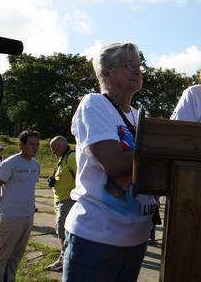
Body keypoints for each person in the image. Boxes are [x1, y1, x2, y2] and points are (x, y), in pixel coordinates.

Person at [63, 42, 158, 282]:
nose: (137, 71)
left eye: (139, 66)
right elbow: (114, 163)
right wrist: (161, 152)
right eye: (128, 65)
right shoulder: (95, 104)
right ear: (106, 72)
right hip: (97, 238)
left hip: (136, 238)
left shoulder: (138, 116)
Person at [0, 130, 40, 282]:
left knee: (16, 256)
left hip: (27, 217)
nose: (35, 147)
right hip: (10, 218)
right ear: (21, 145)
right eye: (31, 144)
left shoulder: (36, 165)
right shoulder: (10, 163)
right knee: (1, 258)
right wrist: (0, 206)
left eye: (37, 144)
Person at [46, 136, 77, 272]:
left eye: (53, 148)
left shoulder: (71, 157)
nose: (53, 152)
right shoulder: (63, 158)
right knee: (62, 232)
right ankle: (66, 258)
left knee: (64, 233)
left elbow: (81, 178)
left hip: (69, 201)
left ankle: (63, 259)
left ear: (60, 146)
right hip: (61, 201)